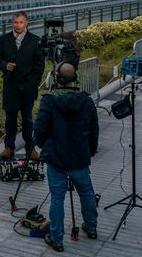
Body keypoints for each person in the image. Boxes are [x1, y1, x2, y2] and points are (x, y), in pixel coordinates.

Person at [34, 62, 99, 253]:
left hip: (56, 158)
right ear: (74, 79)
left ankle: (56, 238)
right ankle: (91, 226)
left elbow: (40, 130)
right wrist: (90, 152)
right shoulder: (86, 101)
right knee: (86, 192)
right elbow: (94, 130)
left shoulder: (49, 100)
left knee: (57, 198)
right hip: (79, 157)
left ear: (57, 79)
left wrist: (43, 145)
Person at [0, 11, 45, 160]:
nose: (18, 25)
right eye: (15, 22)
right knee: (10, 119)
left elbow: (39, 66)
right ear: (12, 23)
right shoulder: (4, 39)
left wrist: (33, 83)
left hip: (28, 87)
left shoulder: (35, 40)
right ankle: (9, 147)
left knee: (28, 119)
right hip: (11, 86)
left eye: (21, 22)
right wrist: (5, 66)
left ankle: (30, 147)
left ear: (26, 23)